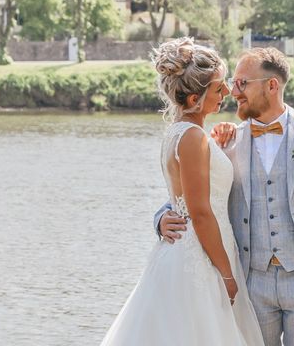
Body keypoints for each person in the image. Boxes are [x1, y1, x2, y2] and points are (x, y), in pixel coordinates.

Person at [157, 47, 294, 346]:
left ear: (272, 86)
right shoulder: (226, 140)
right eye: (231, 83)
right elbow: (193, 193)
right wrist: (161, 218)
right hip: (250, 284)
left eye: (242, 83)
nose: (233, 91)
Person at [101, 37, 265, 345]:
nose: (227, 92)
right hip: (200, 258)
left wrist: (220, 141)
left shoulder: (185, 133)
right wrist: (228, 277)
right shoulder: (192, 138)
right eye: (219, 89)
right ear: (194, 100)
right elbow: (201, 213)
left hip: (196, 251)